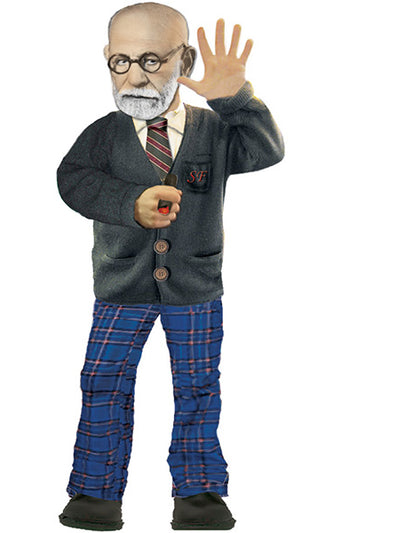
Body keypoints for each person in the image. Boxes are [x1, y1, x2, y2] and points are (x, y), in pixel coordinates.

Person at [56, 2, 284, 530]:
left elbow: (266, 149)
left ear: (185, 61)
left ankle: (199, 491)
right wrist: (126, 203)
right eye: (121, 61)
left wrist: (235, 99)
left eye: (153, 60)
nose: (135, 76)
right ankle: (95, 489)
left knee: (199, 385)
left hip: (196, 285)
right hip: (121, 283)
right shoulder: (102, 134)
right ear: (107, 58)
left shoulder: (214, 130)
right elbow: (73, 180)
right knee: (103, 380)